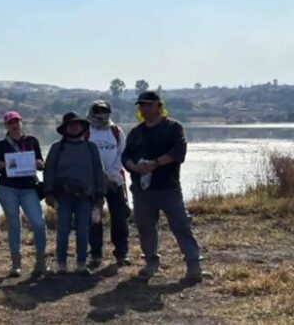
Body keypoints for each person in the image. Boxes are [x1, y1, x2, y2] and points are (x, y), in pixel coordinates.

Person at [122, 91, 207, 282]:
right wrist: (135, 167)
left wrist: (154, 163)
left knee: (181, 225)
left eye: (149, 105)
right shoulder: (136, 133)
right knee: (145, 228)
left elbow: (179, 152)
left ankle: (194, 266)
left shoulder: (174, 128)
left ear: (159, 107)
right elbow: (125, 156)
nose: (144, 108)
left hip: (169, 188)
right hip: (143, 191)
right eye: (142, 105)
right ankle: (151, 262)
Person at [44, 112, 107, 275]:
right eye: (71, 124)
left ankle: (81, 263)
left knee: (83, 229)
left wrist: (100, 194)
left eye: (77, 123)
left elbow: (98, 171)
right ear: (65, 128)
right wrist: (49, 192)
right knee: (63, 229)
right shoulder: (56, 148)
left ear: (82, 126)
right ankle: (62, 264)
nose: (74, 126)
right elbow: (49, 170)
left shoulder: (91, 147)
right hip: (62, 197)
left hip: (85, 197)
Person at [0, 111, 48, 277]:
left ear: (21, 122)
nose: (14, 125)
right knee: (14, 225)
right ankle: (16, 263)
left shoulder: (32, 141)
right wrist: (0, 165)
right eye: (10, 123)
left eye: (16, 121)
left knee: (38, 223)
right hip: (7, 188)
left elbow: (40, 163)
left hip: (28, 188)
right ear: (6, 126)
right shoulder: (1, 145)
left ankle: (40, 260)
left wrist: (39, 163)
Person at [86, 100, 131, 269]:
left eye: (105, 111)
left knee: (119, 218)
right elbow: (84, 156)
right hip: (94, 184)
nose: (101, 114)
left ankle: (121, 253)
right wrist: (100, 176)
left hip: (115, 182)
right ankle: (96, 254)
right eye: (97, 110)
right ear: (91, 112)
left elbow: (122, 153)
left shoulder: (116, 131)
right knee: (95, 219)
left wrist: (111, 174)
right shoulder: (86, 132)